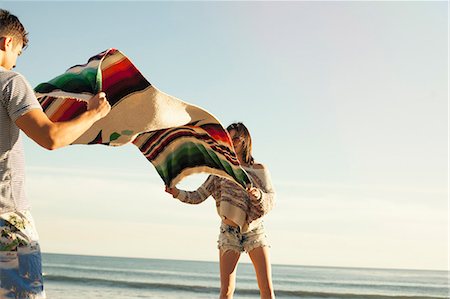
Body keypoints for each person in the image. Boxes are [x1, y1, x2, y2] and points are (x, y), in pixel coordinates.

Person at [0, 9, 110, 298]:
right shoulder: (10, 82)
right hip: (6, 218)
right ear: (6, 42)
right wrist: (93, 115)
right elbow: (50, 138)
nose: (15, 60)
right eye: (18, 52)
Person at [166, 122, 276, 299]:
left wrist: (257, 195)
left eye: (236, 138)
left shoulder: (259, 170)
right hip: (229, 232)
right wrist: (177, 193)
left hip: (255, 231)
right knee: (226, 291)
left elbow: (271, 200)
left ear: (245, 140)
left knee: (267, 290)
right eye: (229, 138)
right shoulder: (221, 170)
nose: (232, 142)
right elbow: (198, 195)